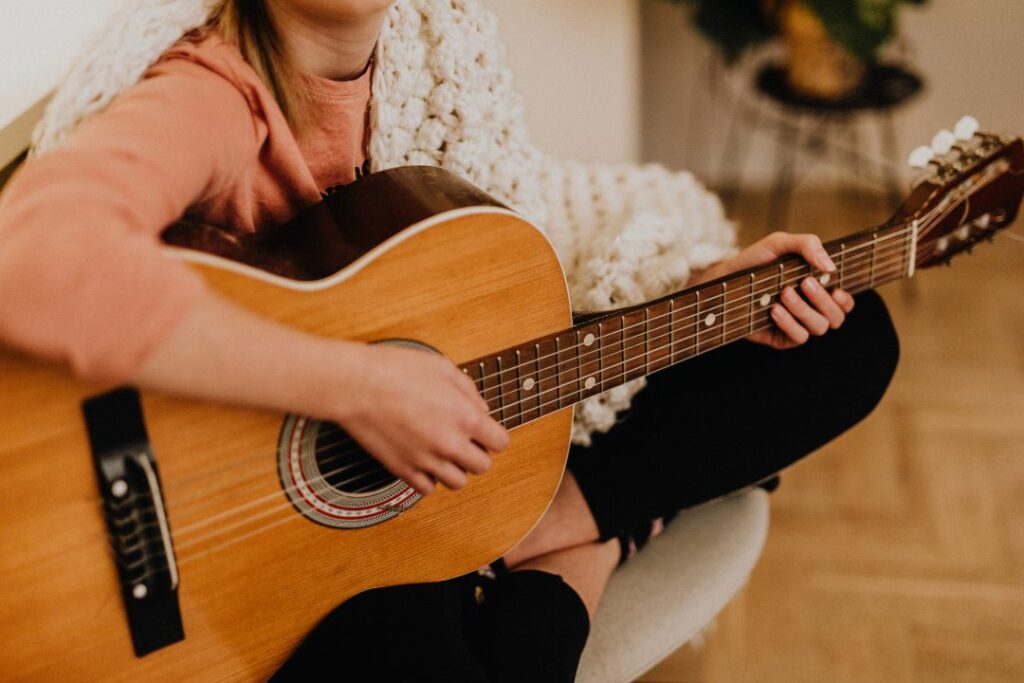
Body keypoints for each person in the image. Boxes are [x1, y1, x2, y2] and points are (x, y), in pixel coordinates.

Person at [0, 0, 899, 680]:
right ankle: (598, 537)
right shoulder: (213, 92)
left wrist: (694, 290)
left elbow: (518, 268)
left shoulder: (437, 43)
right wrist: (353, 388)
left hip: (441, 432)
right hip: (257, 542)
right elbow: (33, 261)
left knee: (845, 337)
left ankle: (557, 526)